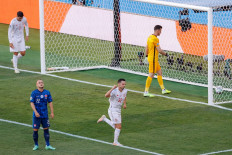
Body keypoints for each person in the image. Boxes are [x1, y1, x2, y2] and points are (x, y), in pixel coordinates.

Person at [97, 79, 127, 146]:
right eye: (123, 84)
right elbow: (106, 95)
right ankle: (115, 142)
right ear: (118, 84)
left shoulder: (125, 90)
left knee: (117, 127)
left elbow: (124, 96)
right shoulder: (114, 91)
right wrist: (112, 88)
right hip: (113, 110)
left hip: (118, 110)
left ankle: (104, 119)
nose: (124, 85)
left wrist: (125, 104)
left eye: (125, 84)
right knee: (118, 127)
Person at [144, 25, 171, 97]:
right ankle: (146, 92)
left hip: (153, 59)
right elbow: (159, 50)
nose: (161, 32)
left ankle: (163, 90)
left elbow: (146, 47)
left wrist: (146, 56)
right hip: (153, 59)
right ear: (157, 30)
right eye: (160, 31)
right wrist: (166, 54)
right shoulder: (155, 39)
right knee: (151, 74)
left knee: (159, 72)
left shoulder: (149, 37)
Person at [30, 80, 55, 151]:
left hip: (45, 115)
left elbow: (50, 102)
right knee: (35, 130)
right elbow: (32, 103)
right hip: (36, 116)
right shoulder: (34, 93)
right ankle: (36, 145)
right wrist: (35, 112)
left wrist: (52, 112)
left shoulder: (47, 92)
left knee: (46, 130)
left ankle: (48, 145)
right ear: (36, 85)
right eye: (39, 83)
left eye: (42, 82)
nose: (41, 84)